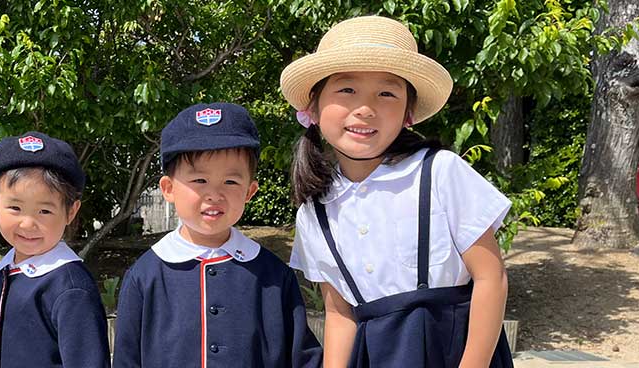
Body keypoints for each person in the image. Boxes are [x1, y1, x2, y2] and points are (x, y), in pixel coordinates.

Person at [280, 15, 514, 367]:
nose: (365, 108)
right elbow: (340, 312)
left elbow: (490, 277)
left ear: (408, 111)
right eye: (346, 89)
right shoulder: (314, 212)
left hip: (454, 353)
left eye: (387, 93)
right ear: (313, 106)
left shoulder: (440, 172)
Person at [113, 102, 323, 367]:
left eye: (231, 182)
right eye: (199, 181)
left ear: (250, 191)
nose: (214, 194)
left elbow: (303, 358)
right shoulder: (145, 276)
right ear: (168, 189)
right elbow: (126, 359)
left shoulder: (274, 276)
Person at [0, 131, 110, 368]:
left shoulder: (70, 287)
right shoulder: (2, 272)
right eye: (15, 207)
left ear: (71, 212)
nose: (28, 224)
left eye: (44, 211)